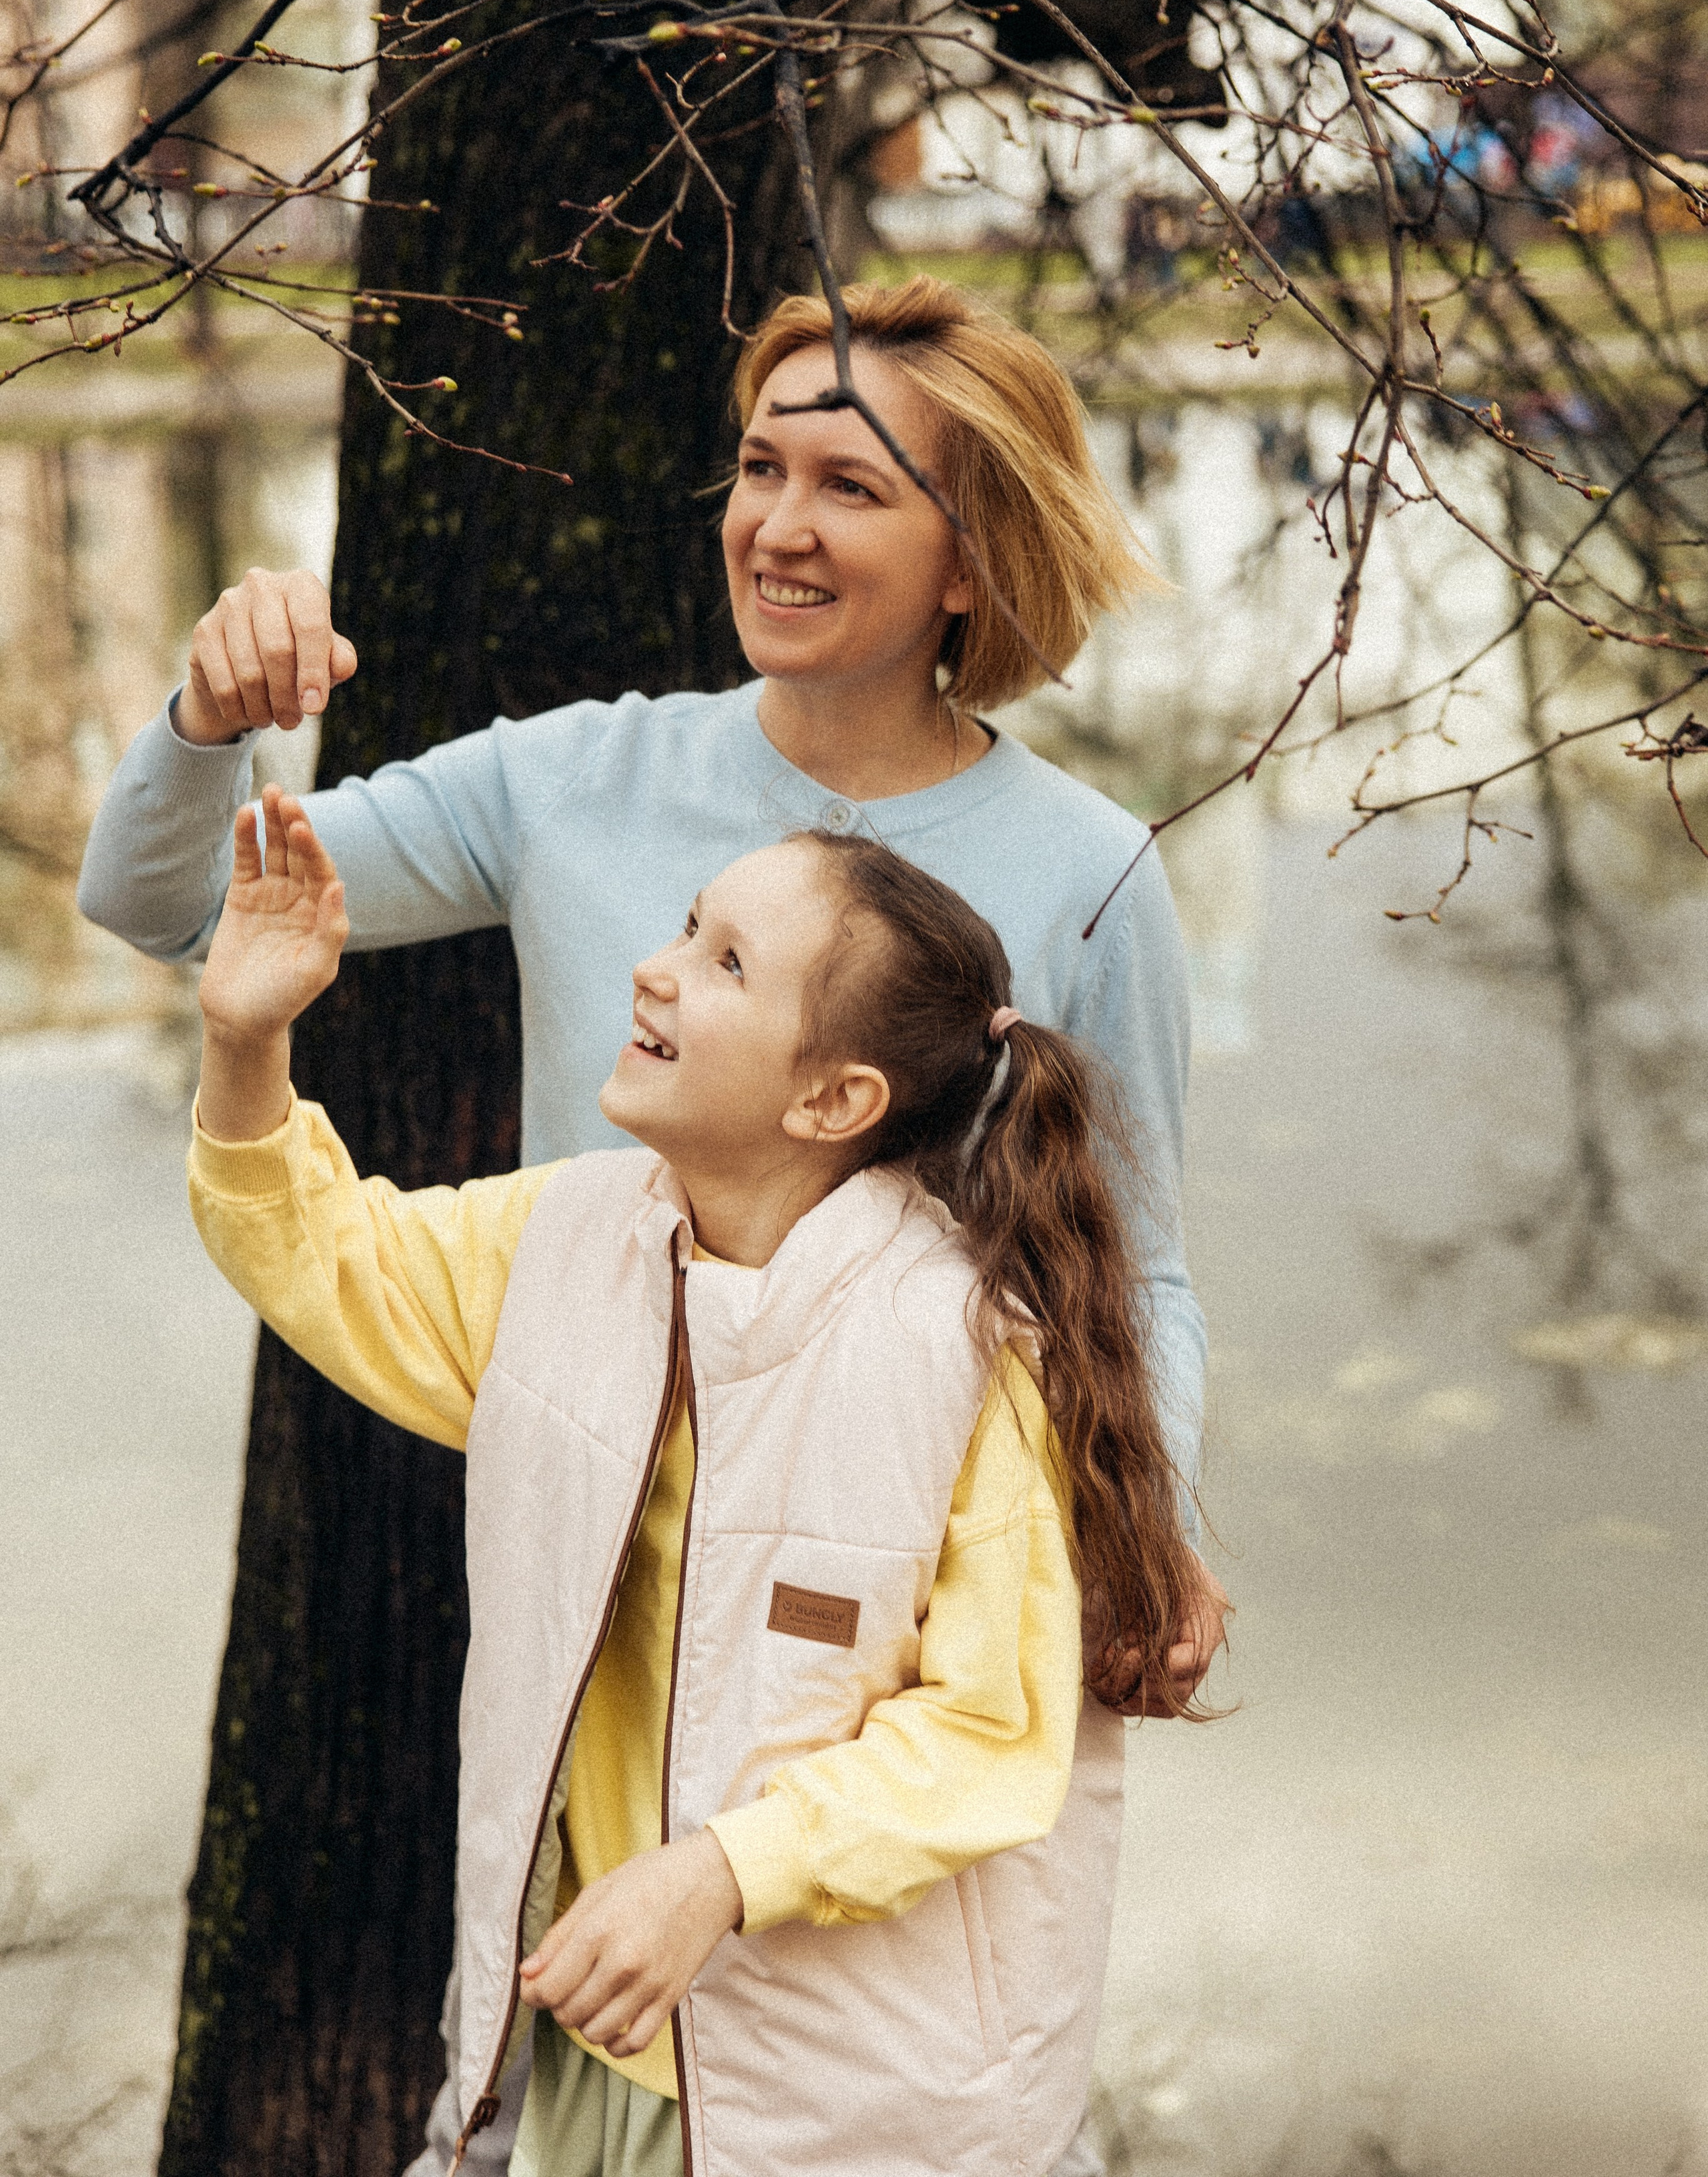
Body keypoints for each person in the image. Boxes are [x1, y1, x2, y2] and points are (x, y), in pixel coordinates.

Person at [77, 273, 1229, 2170]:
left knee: (874, 2045)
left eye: (852, 488)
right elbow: (191, 909)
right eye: (758, 468)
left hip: (888, 1607)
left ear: (971, 555)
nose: (778, 524)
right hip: (599, 1563)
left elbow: (1143, 1261)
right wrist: (207, 721)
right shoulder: (572, 780)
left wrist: (1150, 1532)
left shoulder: (1091, 876)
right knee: (605, 2051)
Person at [187, 785, 1214, 2177]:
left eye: (724, 961)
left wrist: (718, 1876)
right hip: (585, 2048)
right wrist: (245, 1038)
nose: (651, 966)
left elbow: (989, 1736)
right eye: (683, 925)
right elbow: (323, 1253)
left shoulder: (965, 1353)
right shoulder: (563, 1240)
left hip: (851, 2099)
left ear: (833, 1097)